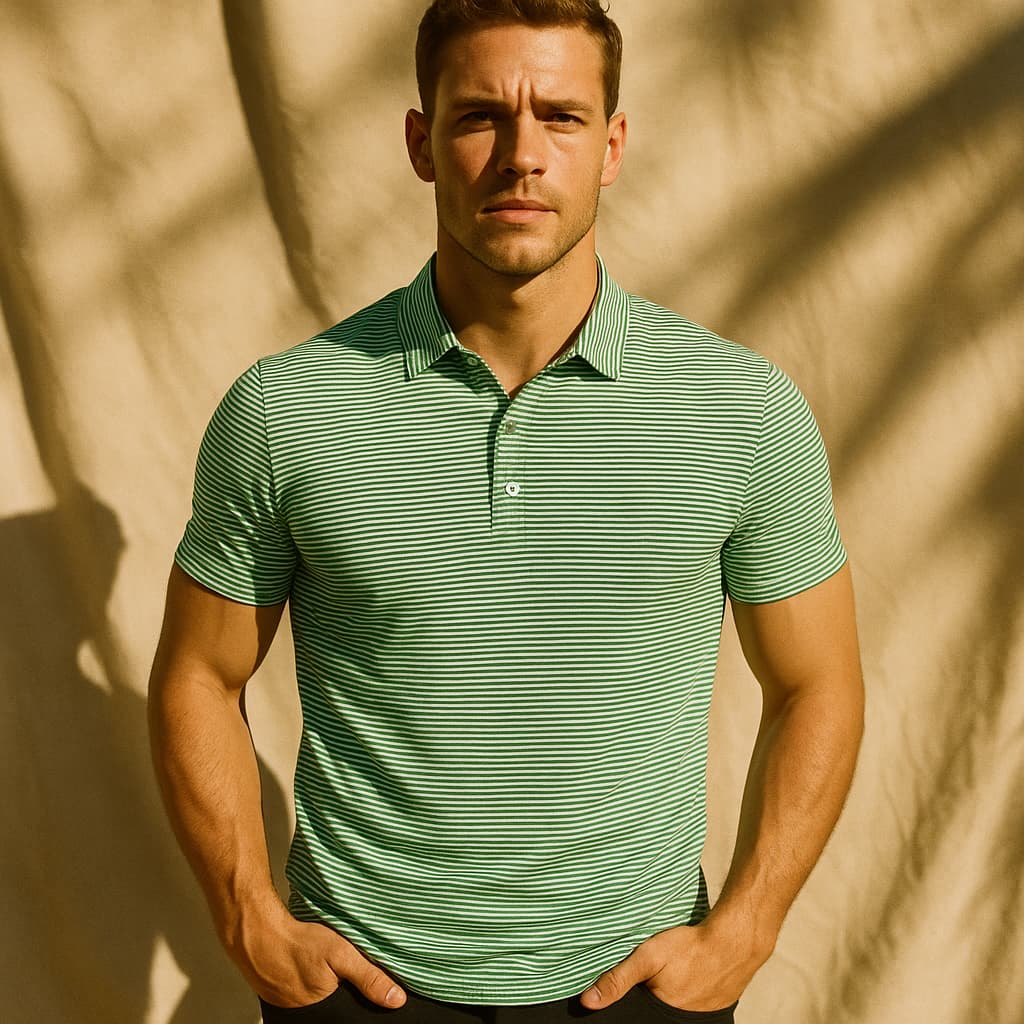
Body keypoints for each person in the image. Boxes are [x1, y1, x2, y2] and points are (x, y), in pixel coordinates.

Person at [147, 2, 865, 1022]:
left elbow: (817, 683)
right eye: (481, 116)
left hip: (634, 986)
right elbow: (198, 673)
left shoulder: (739, 410)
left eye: (561, 117)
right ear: (421, 143)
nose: (522, 155)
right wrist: (244, 915)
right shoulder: (286, 409)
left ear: (612, 146)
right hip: (358, 986)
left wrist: (745, 929)